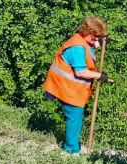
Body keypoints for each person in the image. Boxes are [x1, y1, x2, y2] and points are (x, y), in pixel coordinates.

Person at [43, 16, 111, 154]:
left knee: (76, 117)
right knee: (75, 117)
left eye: (97, 38)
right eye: (94, 37)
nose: (94, 40)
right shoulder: (77, 48)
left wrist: (100, 41)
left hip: (71, 87)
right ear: (86, 31)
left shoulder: (82, 39)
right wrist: (99, 76)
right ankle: (71, 150)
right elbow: (80, 72)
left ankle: (73, 145)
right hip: (66, 87)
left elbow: (89, 45)